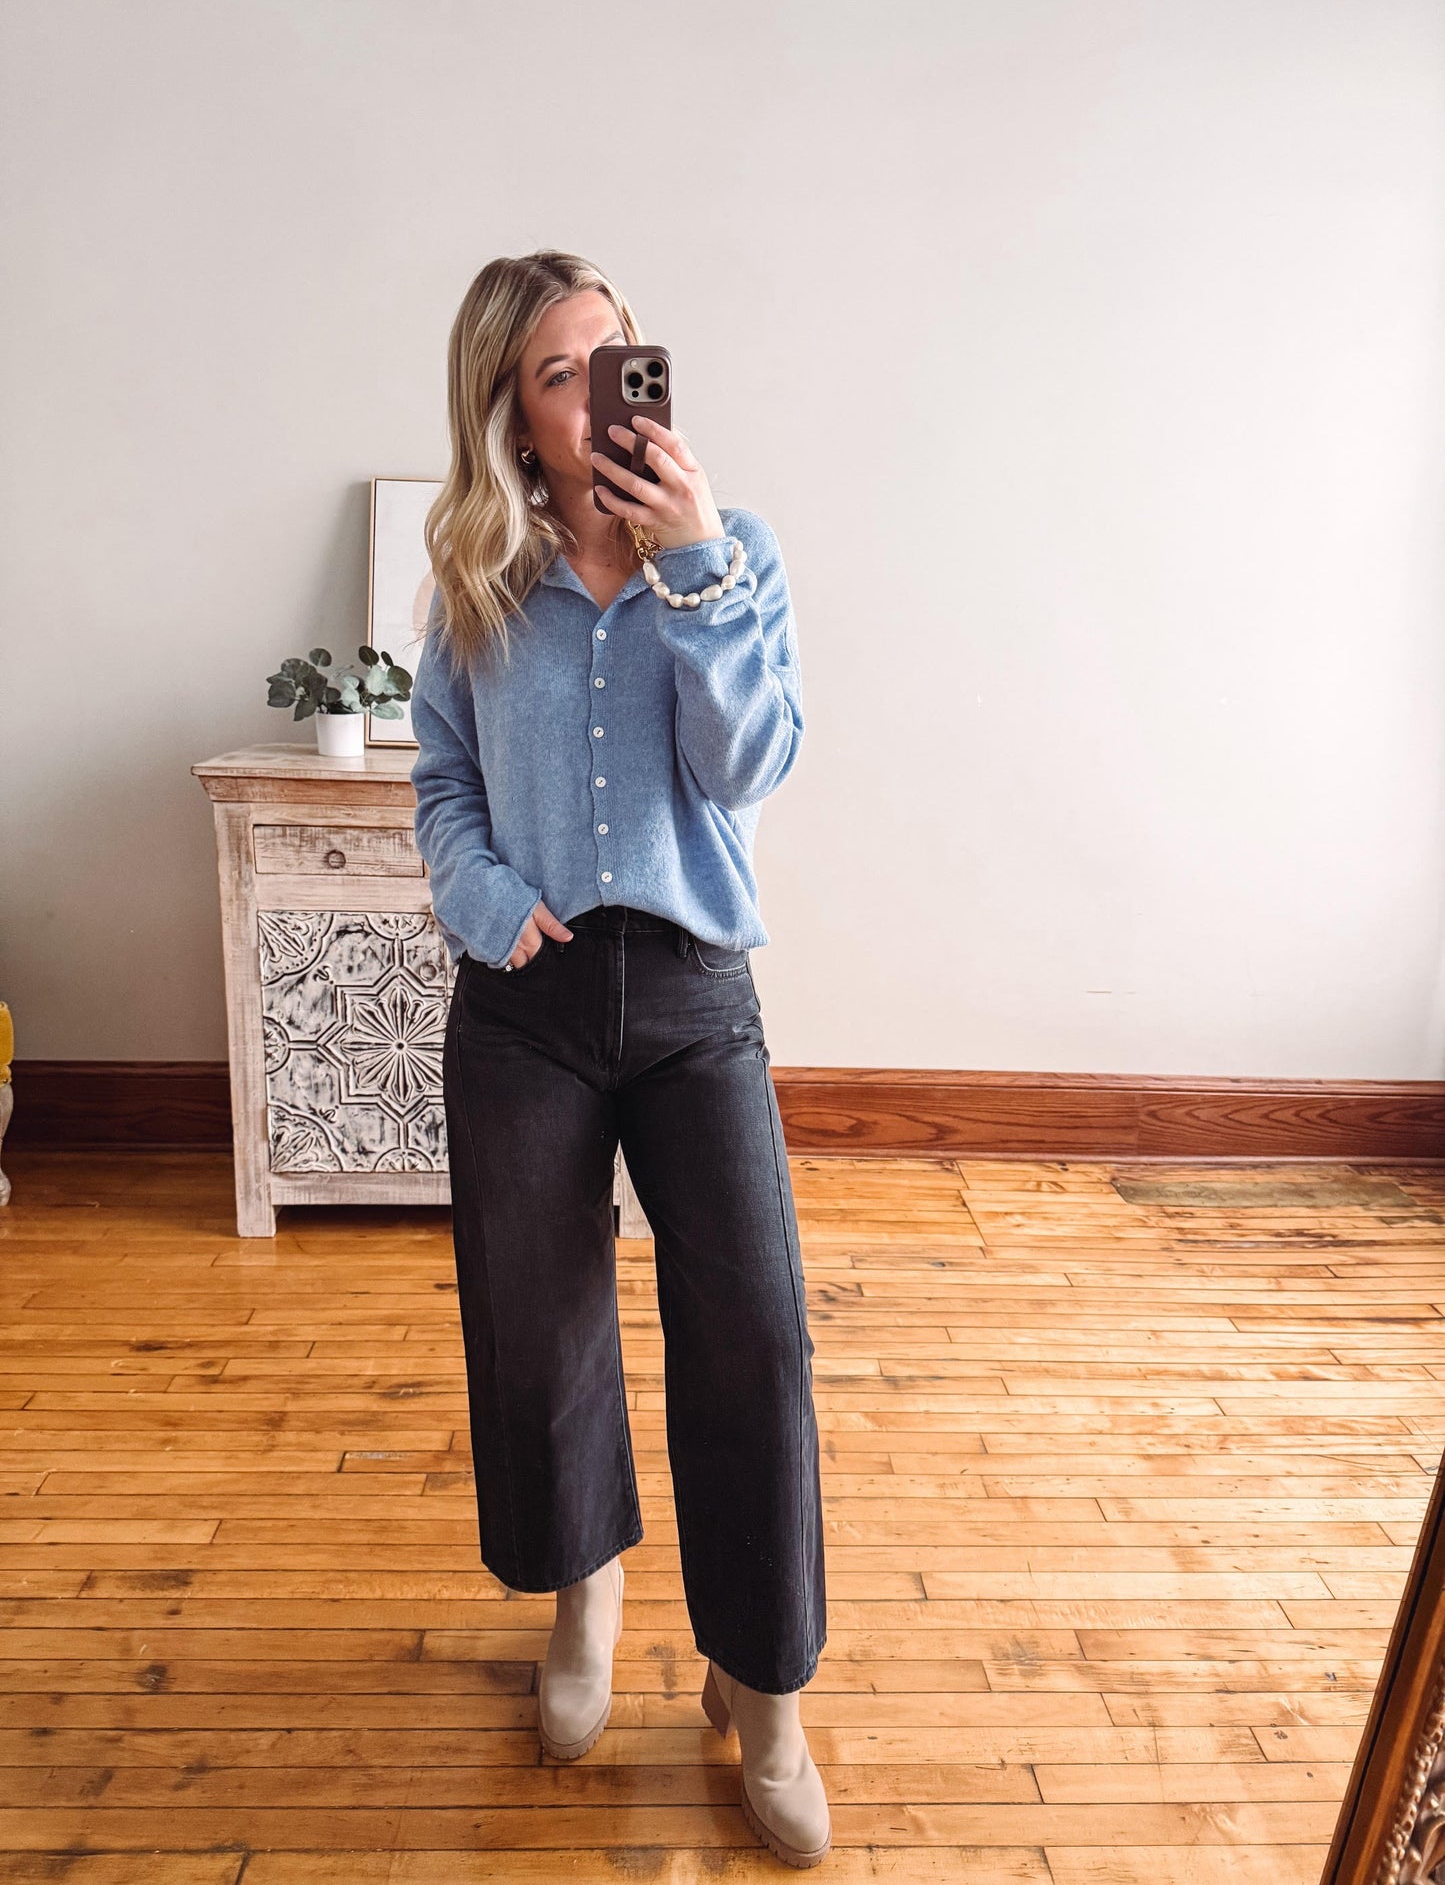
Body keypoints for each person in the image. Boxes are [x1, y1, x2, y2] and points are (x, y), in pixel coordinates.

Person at [408, 249, 830, 1868]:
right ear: (510, 414)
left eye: (616, 359)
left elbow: (752, 764)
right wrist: (489, 901)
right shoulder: (471, 576)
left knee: (752, 1340)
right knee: (541, 1329)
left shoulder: (728, 555)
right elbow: (442, 782)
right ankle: (584, 1603)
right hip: (524, 991)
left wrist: (697, 564)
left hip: (692, 990)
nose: (599, 394)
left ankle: (760, 1685)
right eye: (559, 373)